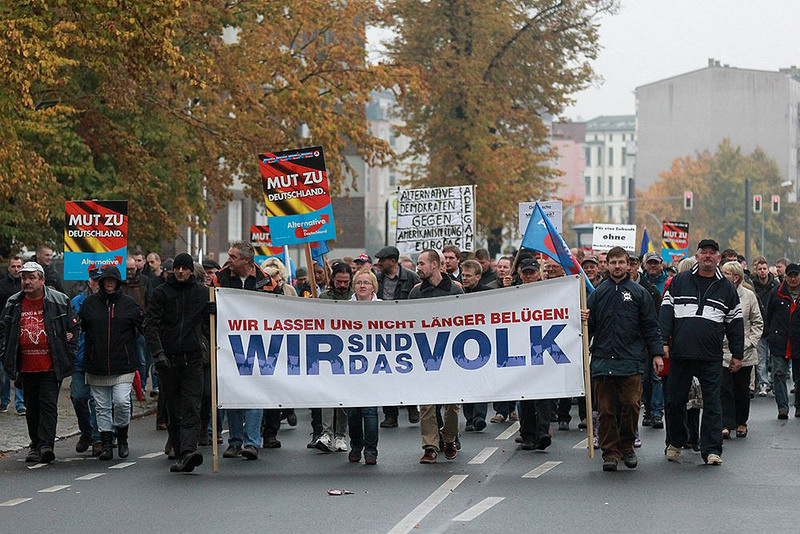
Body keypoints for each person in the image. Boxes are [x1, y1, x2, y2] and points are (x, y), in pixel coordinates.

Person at [660, 239, 744, 466]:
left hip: (711, 355)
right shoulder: (679, 281)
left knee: (713, 403)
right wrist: (662, 343)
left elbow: (735, 323)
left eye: (712, 253)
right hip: (681, 353)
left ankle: (712, 450)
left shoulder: (727, 288)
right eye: (704, 252)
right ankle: (675, 442)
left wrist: (737, 354)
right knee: (675, 401)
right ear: (697, 256)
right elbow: (666, 313)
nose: (708, 256)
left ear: (719, 258)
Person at [585, 247, 664, 471]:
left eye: (621, 262)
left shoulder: (639, 293)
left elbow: (651, 326)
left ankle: (627, 446)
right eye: (613, 262)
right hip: (602, 360)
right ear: (607, 265)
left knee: (631, 405)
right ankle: (610, 452)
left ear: (628, 265)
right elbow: (588, 328)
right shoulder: (598, 293)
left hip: (631, 360)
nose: (617, 266)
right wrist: (584, 319)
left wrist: (657, 353)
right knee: (606, 410)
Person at [0, 261, 79, 463]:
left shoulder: (59, 301)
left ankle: (46, 445)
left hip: (51, 364)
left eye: (31, 278)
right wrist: (5, 352)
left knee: (48, 405)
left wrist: (68, 352)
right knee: (31, 406)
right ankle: (35, 444)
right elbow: (3, 330)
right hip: (25, 365)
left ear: (42, 280)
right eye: (23, 278)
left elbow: (74, 327)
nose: (26, 282)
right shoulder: (13, 303)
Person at [212, 241, 278, 458]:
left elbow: (278, 310)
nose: (228, 260)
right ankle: (234, 441)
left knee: (254, 393)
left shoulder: (266, 282)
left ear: (247, 260)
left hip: (258, 345)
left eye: (233, 257)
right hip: (228, 346)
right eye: (229, 255)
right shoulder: (218, 279)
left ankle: (251, 442)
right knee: (233, 393)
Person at [146, 253, 211, 473]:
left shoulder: (202, 294)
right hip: (168, 361)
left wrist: (213, 311)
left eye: (185, 268)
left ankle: (188, 452)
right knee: (173, 409)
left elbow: (209, 323)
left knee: (192, 405)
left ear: (191, 270)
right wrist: (158, 353)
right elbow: (151, 325)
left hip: (192, 359)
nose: (181, 271)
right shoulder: (161, 293)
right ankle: (177, 445)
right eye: (177, 268)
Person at [80, 266, 144, 460]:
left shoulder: (128, 304)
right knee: (102, 407)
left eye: (113, 280)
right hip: (96, 363)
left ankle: (122, 437)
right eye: (106, 280)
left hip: (123, 363)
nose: (109, 283)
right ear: (101, 282)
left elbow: (142, 326)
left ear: (118, 282)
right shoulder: (90, 304)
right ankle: (107, 443)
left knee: (122, 401)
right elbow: (79, 327)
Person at [410, 249, 464, 463]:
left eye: (422, 263)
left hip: (451, 355)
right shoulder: (416, 293)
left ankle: (449, 438)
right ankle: (430, 445)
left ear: (434, 265)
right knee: (427, 404)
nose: (418, 267)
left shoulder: (454, 290)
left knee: (452, 403)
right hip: (426, 355)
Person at [374, 245, 421, 427]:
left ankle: (411, 406)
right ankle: (390, 415)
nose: (379, 263)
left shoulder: (411, 278)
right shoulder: (376, 279)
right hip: (382, 332)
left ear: (392, 261)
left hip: (405, 333)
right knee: (386, 372)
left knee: (406, 370)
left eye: (382, 260)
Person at [720, 260, 762, 439]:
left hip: (745, 350)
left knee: (742, 390)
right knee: (724, 388)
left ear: (735, 277)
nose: (722, 276)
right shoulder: (718, 293)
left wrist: (750, 342)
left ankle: (741, 422)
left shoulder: (749, 296)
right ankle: (726, 424)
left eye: (726, 273)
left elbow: (758, 322)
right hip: (723, 350)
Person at [314, 261, 352, 452]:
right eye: (339, 281)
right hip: (329, 351)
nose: (343, 285)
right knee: (328, 394)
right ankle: (326, 433)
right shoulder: (324, 297)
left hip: (350, 352)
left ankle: (340, 435)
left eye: (346, 281)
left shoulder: (354, 298)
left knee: (343, 395)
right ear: (333, 280)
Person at [346, 268, 381, 465]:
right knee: (353, 411)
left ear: (373, 287)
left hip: (374, 366)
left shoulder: (384, 307)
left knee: (369, 410)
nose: (362, 286)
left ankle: (370, 451)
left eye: (366, 283)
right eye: (359, 282)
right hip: (351, 366)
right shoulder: (342, 308)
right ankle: (355, 446)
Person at [70, 267, 103, 456]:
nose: (98, 284)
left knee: (99, 400)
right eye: (95, 280)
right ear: (89, 281)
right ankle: (86, 431)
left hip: (100, 360)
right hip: (80, 360)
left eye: (100, 280)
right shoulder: (76, 302)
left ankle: (98, 437)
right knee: (79, 397)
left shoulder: (108, 302)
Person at [764, 262, 800, 420]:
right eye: (790, 276)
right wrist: (771, 332)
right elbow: (769, 315)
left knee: (798, 377)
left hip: (798, 341)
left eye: (795, 275)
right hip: (780, 340)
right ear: (785, 277)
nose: (793, 279)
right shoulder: (776, 293)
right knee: (779, 374)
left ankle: (798, 405)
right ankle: (783, 407)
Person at [0, 256, 25, 415]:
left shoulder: (27, 286)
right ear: (8, 268)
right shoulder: (2, 286)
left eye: (19, 266)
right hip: (4, 331)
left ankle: (20, 402)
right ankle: (4, 399)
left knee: (21, 368)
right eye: (13, 266)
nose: (16, 269)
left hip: (22, 330)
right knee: (3, 369)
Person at [751, 256, 777, 396]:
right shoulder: (753, 287)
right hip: (760, 328)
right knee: (761, 359)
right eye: (760, 269)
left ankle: (774, 381)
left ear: (768, 270)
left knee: (773, 358)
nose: (762, 272)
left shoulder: (775, 287)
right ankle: (763, 384)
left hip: (773, 328)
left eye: (764, 269)